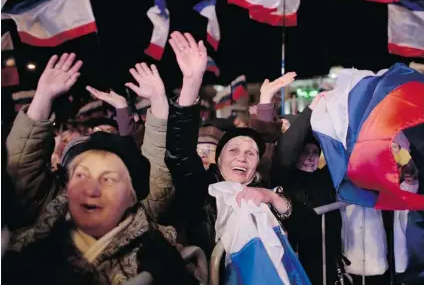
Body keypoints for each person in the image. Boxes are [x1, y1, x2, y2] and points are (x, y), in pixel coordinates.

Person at [4, 53, 198, 285]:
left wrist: (159, 103)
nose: (92, 190)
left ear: (132, 195)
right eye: (82, 174)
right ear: (65, 182)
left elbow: (158, 167)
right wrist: (43, 97)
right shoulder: (24, 250)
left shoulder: (160, 256)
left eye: (109, 179)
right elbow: (21, 165)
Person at [165, 31, 293, 258]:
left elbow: (299, 217)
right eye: (233, 151)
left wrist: (271, 197)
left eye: (250, 154)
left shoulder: (262, 187)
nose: (242, 158)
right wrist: (192, 83)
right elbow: (180, 152)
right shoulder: (201, 189)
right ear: (218, 158)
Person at [271, 93, 344, 285]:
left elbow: (343, 154)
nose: (311, 158)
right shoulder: (285, 176)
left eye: (315, 152)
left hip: (327, 258)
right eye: (305, 152)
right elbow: (287, 149)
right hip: (298, 258)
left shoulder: (323, 178)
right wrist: (311, 110)